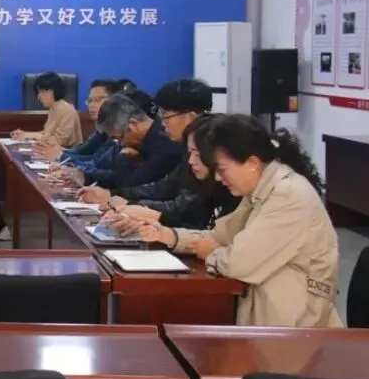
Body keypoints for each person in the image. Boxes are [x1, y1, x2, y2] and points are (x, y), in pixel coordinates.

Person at [141, 114, 342, 327]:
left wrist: (213, 254)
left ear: (252, 163)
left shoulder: (287, 194)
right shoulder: (261, 187)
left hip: (295, 325)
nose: (218, 178)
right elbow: (223, 236)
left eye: (222, 169)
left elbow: (238, 263)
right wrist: (170, 236)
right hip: (274, 312)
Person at [80, 78, 213, 207]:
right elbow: (163, 187)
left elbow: (180, 207)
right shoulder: (180, 146)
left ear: (190, 118)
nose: (162, 123)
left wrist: (119, 200)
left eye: (165, 115)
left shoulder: (172, 146)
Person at [102, 114, 239, 232]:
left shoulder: (239, 194)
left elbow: (211, 237)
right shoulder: (197, 175)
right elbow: (164, 188)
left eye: (198, 154)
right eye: (190, 152)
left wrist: (138, 208)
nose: (191, 161)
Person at [77, 92, 181, 189]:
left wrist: (124, 158)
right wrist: (85, 177)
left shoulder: (165, 145)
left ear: (133, 125)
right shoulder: (142, 142)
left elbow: (131, 185)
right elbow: (117, 177)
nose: (121, 144)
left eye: (119, 138)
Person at [36, 78, 120, 163]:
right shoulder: (101, 130)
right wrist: (59, 152)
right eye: (90, 101)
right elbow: (82, 152)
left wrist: (60, 156)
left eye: (97, 100)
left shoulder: (117, 132)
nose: (92, 105)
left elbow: (96, 163)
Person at [11, 72, 83, 147]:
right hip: (52, 151)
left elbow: (57, 141)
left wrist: (33, 136)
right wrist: (25, 135)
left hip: (67, 153)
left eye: (42, 91)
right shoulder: (53, 109)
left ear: (52, 91)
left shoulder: (68, 111)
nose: (39, 96)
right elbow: (46, 134)